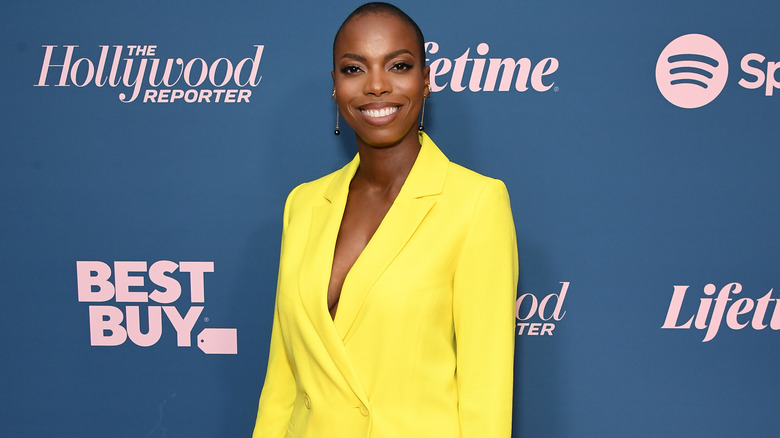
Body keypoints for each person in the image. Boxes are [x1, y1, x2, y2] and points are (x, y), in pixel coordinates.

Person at [252, 3, 518, 437]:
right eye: (354, 70)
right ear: (335, 88)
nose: (376, 86)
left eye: (398, 65)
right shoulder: (303, 204)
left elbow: (486, 390)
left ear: (426, 80)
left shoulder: (475, 202)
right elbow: (282, 377)